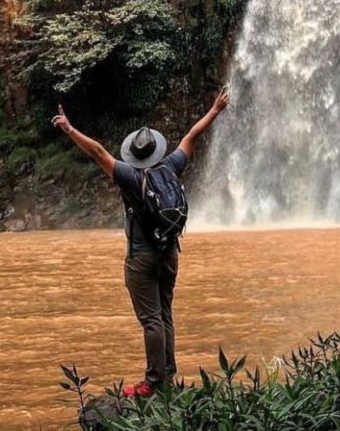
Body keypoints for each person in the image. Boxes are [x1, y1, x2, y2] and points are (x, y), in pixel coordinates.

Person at [51, 86, 231, 397]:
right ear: (158, 152)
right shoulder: (171, 167)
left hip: (141, 257)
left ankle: (154, 382)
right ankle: (168, 374)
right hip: (170, 253)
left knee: (151, 320)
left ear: (133, 155)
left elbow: (96, 152)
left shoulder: (130, 177)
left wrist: (69, 129)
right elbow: (192, 137)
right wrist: (215, 109)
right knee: (164, 315)